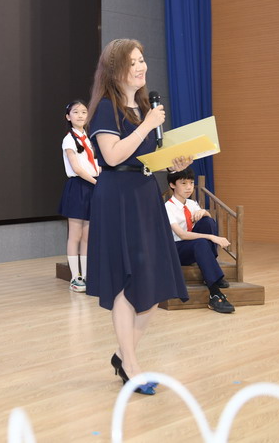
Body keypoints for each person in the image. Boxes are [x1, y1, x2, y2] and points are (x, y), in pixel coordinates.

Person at [85, 39, 191, 395]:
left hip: (145, 195)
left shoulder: (145, 108)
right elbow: (113, 156)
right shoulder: (106, 108)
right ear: (116, 69)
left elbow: (150, 156)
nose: (141, 67)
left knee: (153, 284)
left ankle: (121, 355)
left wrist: (175, 163)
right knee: (123, 281)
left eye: (142, 60)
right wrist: (146, 125)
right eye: (133, 62)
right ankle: (131, 366)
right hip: (117, 198)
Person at [165, 168, 235, 313]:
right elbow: (182, 235)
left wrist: (204, 212)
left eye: (191, 183)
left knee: (207, 221)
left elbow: (208, 224)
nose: (189, 187)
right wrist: (211, 237)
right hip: (176, 251)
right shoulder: (167, 207)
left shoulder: (192, 204)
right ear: (172, 185)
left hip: (194, 247)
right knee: (201, 241)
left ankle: (211, 268)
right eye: (183, 183)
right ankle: (215, 293)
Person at [57, 100, 99, 292]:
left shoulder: (90, 138)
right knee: (75, 235)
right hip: (79, 186)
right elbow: (77, 168)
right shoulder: (68, 139)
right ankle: (75, 278)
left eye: (83, 112)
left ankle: (88, 275)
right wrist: (97, 182)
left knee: (87, 236)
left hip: (92, 185)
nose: (81, 115)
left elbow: (96, 164)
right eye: (76, 112)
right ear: (68, 116)